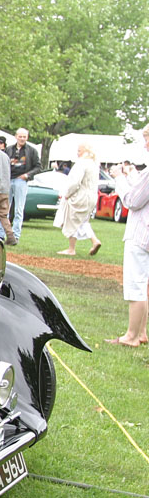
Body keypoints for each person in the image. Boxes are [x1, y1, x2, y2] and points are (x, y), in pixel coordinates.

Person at [106, 124, 149, 347]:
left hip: (142, 233)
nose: (145, 144)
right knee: (144, 284)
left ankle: (131, 336)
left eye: (147, 139)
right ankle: (140, 333)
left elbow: (132, 201)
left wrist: (120, 179)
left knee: (136, 285)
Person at [54, 142, 102, 256]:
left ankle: (72, 248)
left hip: (80, 196)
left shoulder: (81, 163)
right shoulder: (94, 164)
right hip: (92, 196)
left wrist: (68, 194)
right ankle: (93, 241)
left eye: (79, 150)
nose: (77, 153)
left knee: (72, 219)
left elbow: (75, 182)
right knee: (82, 220)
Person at [0, 128, 41, 242]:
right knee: (4, 208)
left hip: (21, 181)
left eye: (24, 137)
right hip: (8, 180)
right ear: (16, 136)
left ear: (27, 137)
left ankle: (15, 235)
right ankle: (0, 234)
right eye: (20, 136)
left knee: (18, 209)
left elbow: (38, 167)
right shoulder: (8, 150)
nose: (22, 139)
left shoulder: (32, 151)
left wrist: (27, 175)